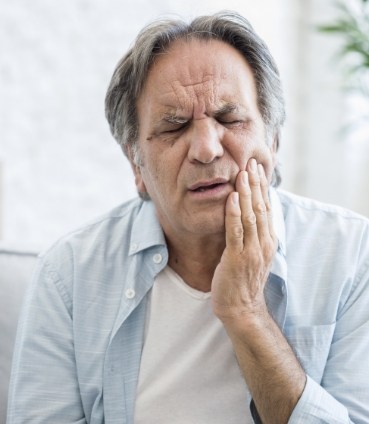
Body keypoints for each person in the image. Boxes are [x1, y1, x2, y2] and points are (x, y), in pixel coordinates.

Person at [7, 10, 369, 424]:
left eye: (229, 118)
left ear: (273, 139)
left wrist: (246, 311)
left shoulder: (353, 258)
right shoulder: (67, 275)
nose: (205, 148)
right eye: (174, 126)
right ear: (136, 166)